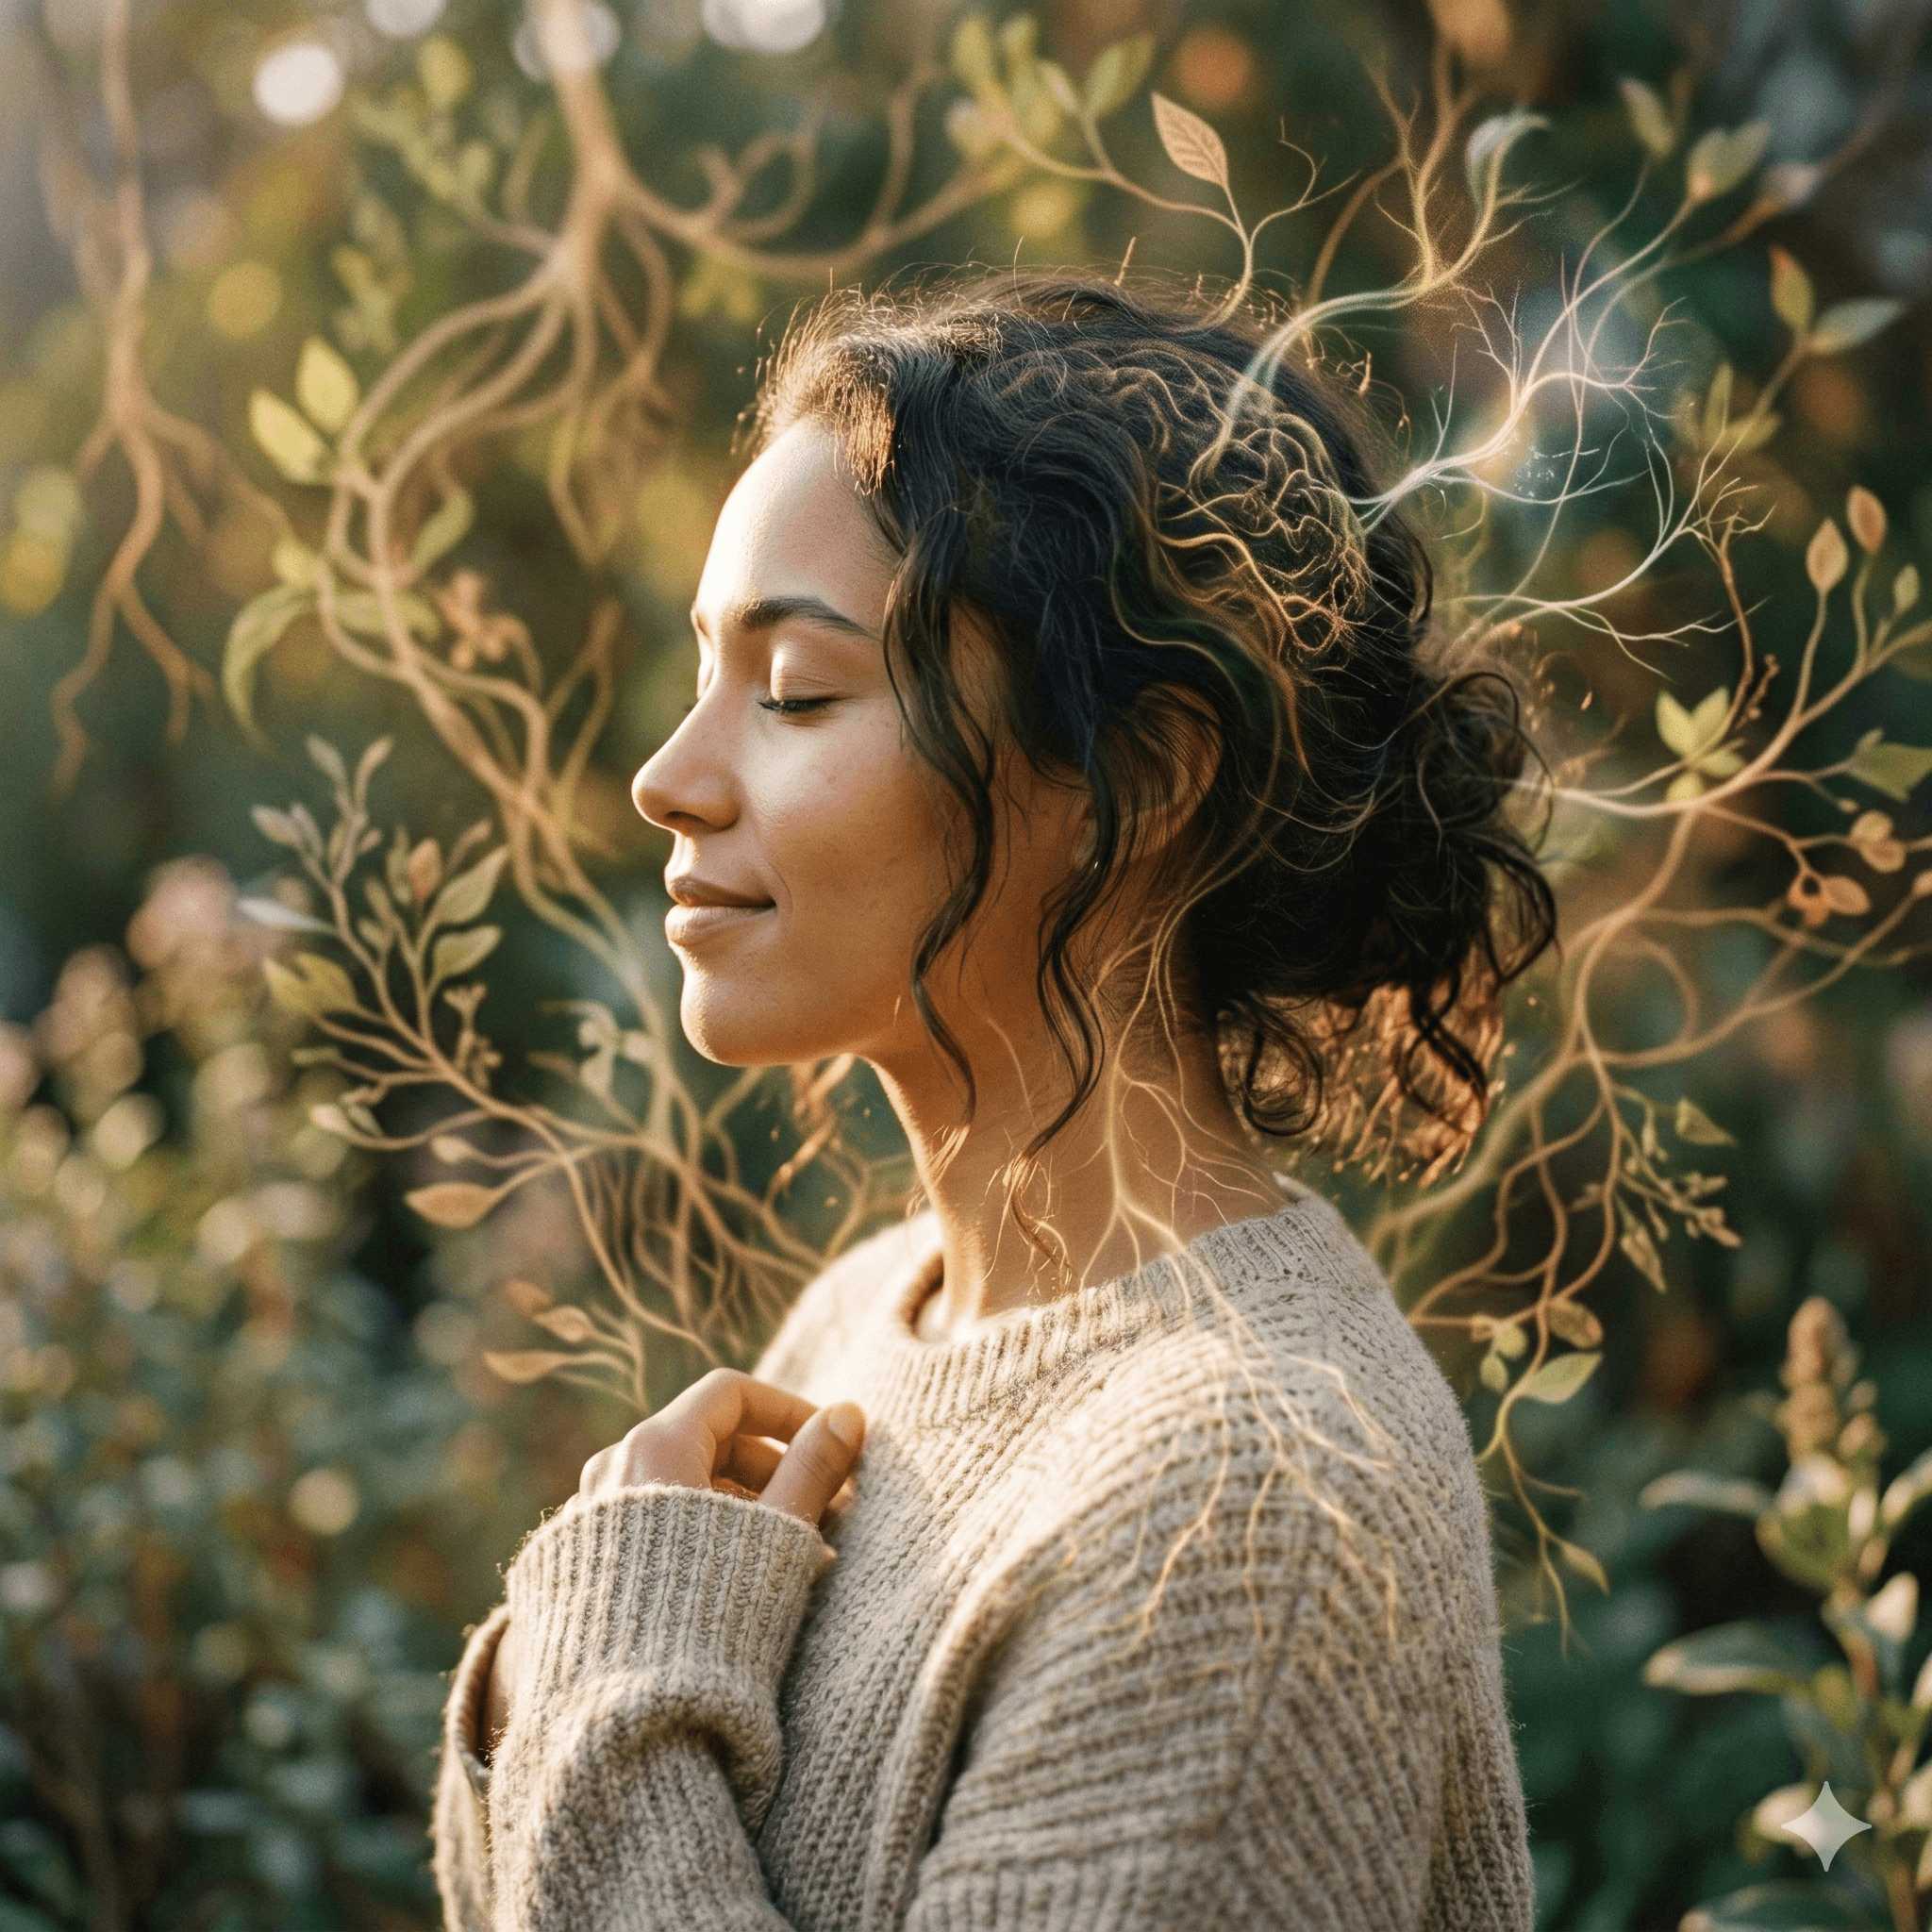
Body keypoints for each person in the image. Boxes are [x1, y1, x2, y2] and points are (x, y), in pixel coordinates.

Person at [428, 266, 1557, 1930]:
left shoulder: (1249, 1515)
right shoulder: (861, 1325)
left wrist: (605, 1678)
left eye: (794, 692)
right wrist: (566, 1672)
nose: (669, 778)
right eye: (704, 676)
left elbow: (613, 1789)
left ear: (1141, 780)